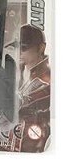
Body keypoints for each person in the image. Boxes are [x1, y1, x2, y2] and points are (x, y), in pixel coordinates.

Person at [17, 24, 51, 152]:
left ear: (41, 48)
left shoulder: (46, 80)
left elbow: (20, 104)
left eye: (24, 48)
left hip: (32, 143)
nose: (18, 52)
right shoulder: (21, 71)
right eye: (16, 47)